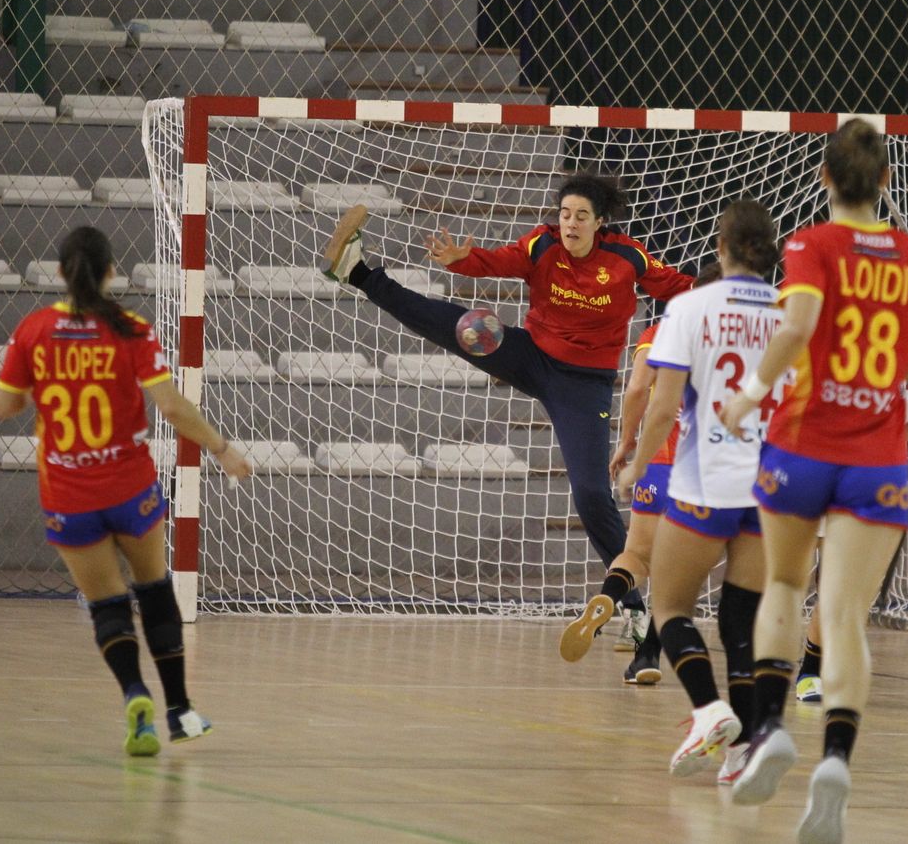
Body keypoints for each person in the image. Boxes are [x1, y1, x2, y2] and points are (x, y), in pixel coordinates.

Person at [322, 173, 693, 635]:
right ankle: (358, 272)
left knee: (593, 494)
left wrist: (737, 300)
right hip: (531, 356)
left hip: (584, 385)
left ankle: (634, 612)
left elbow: (683, 289)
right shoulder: (543, 246)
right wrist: (462, 259)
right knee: (456, 324)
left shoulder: (627, 258)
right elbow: (496, 261)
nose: (571, 224)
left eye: (581, 216)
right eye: (564, 214)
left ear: (600, 222)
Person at [719, 119, 908, 842]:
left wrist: (751, 395)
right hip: (877, 458)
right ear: (885, 182)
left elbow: (799, 324)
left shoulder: (809, 246)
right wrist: (874, 373)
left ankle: (771, 726)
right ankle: (838, 760)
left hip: (802, 443)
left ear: (824, 178)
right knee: (845, 614)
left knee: (784, 586)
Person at [0, 226, 251, 756]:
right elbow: (173, 408)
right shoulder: (130, 330)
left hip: (68, 494)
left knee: (107, 603)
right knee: (154, 590)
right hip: (130, 488)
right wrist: (221, 448)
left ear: (61, 273)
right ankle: (180, 710)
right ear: (112, 271)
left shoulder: (33, 330)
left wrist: (39, 393)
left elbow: (3, 408)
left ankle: (136, 698)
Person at [614, 201, 785, 783]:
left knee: (671, 605)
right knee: (742, 618)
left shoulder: (690, 307)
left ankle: (708, 710)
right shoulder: (791, 315)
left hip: (704, 478)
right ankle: (743, 750)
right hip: (769, 485)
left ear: (722, 247)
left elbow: (661, 403)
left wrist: (637, 464)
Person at [574, 261, 723, 685]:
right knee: (682, 576)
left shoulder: (660, 334)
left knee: (637, 554)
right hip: (705, 473)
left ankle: (609, 597)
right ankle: (649, 656)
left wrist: (625, 444)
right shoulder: (741, 343)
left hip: (658, 465)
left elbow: (638, 389)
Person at [794, 372, 908, 704]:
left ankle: (806, 668)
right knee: (834, 582)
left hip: (825, 463)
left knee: (815, 580)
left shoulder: (842, 330)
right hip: (873, 471)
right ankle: (809, 670)